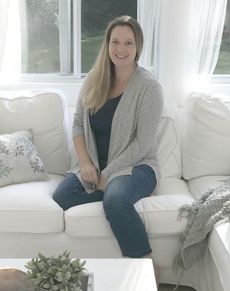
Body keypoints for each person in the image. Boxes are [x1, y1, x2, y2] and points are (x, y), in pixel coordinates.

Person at [53, 15, 163, 271]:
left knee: (115, 200)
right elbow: (78, 123)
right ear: (107, 44)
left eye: (129, 43)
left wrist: (108, 174)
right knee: (63, 195)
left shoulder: (149, 87)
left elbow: (143, 143)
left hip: (137, 165)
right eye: (115, 42)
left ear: (138, 48)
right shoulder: (94, 77)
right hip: (96, 163)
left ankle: (144, 267)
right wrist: (86, 163)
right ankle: (115, 192)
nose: (121, 49)